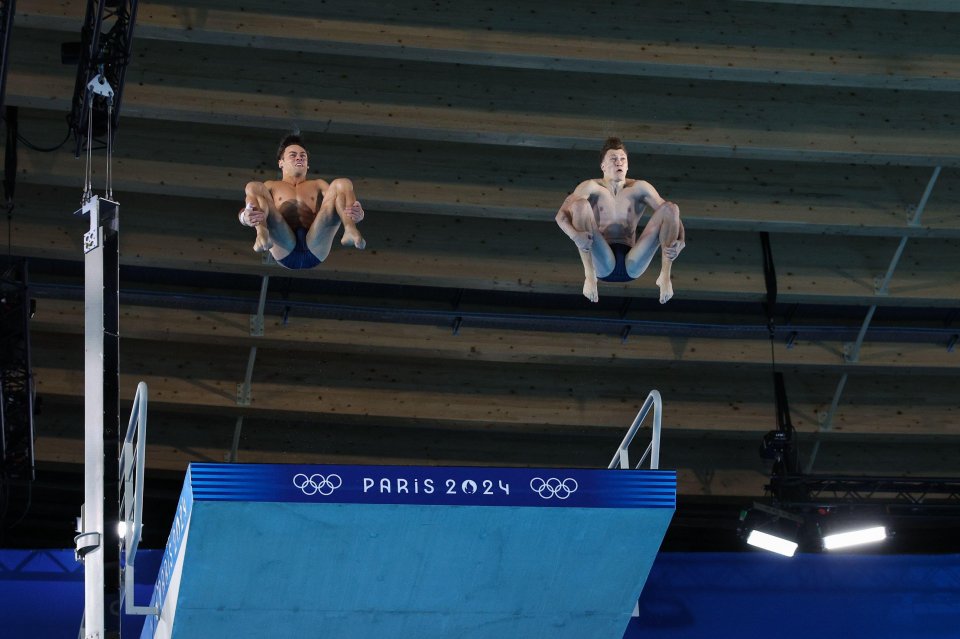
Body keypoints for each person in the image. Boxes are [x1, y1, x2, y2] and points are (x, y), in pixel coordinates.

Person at [555, 137, 685, 303]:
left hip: (633, 260)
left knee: (670, 207)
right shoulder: (591, 187)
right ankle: (589, 277)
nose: (619, 163)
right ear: (603, 166)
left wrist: (681, 240)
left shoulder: (640, 188)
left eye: (623, 159)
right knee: (580, 205)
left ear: (628, 165)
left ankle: (665, 277)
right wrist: (575, 236)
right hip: (602, 259)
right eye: (613, 159)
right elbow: (561, 216)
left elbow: (672, 214)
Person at [238, 134, 366, 269]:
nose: (299, 157)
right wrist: (244, 217)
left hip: (316, 243)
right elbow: (251, 205)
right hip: (284, 246)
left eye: (303, 156)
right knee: (253, 187)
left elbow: (340, 200)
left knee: (342, 183)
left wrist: (359, 214)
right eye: (293, 155)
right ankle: (262, 234)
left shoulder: (318, 184)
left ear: (308, 164)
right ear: (281, 163)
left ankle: (350, 228)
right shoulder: (271, 186)